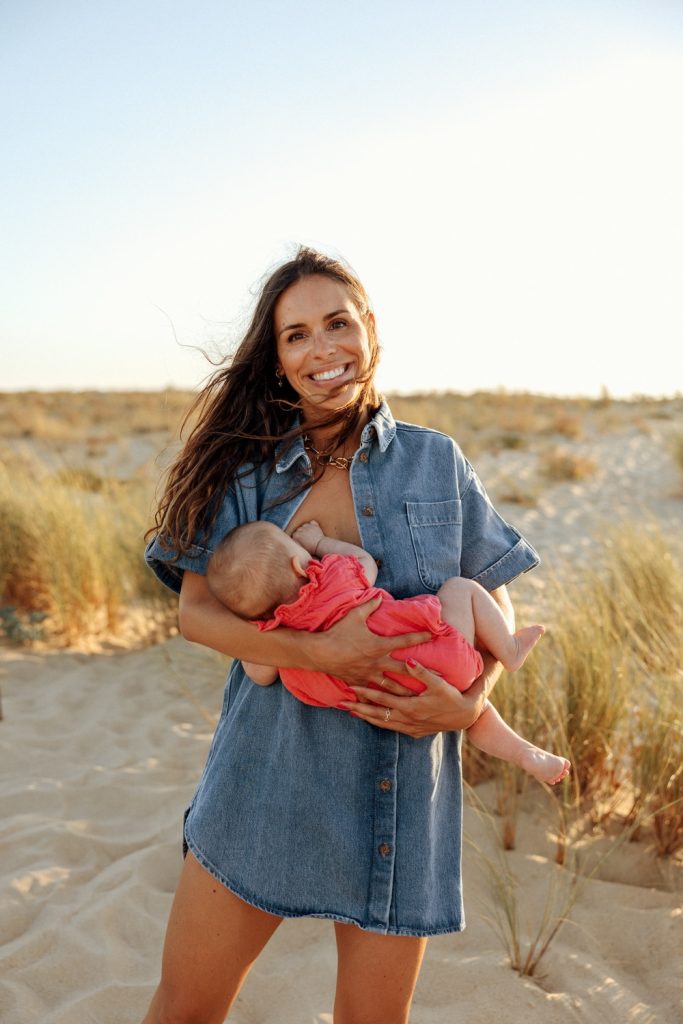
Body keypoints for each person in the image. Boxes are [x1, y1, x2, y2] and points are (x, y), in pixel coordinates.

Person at [143, 247, 548, 1024]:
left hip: (398, 792)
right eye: (296, 336)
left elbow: (486, 601)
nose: (322, 349)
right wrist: (318, 653)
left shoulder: (436, 461)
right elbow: (196, 614)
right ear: (278, 357)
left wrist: (468, 706)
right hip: (269, 777)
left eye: (337, 323)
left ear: (369, 329)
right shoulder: (247, 470)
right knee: (186, 1006)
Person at [206, 518, 570, 786]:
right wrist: (319, 542)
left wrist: (260, 631)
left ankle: (525, 754)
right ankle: (509, 650)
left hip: (383, 696)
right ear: (299, 565)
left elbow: (259, 673)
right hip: (434, 655)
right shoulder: (330, 577)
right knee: (459, 589)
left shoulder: (274, 636)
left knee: (475, 714)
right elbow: (364, 562)